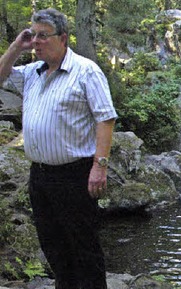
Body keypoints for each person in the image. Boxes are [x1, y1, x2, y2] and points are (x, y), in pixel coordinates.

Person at [0, 8, 117, 289]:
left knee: (84, 250)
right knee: (54, 248)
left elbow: (106, 118)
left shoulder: (86, 71)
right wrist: (17, 46)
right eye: (33, 35)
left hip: (75, 175)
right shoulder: (32, 73)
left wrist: (99, 167)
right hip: (39, 176)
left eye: (43, 36)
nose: (36, 41)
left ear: (63, 38)